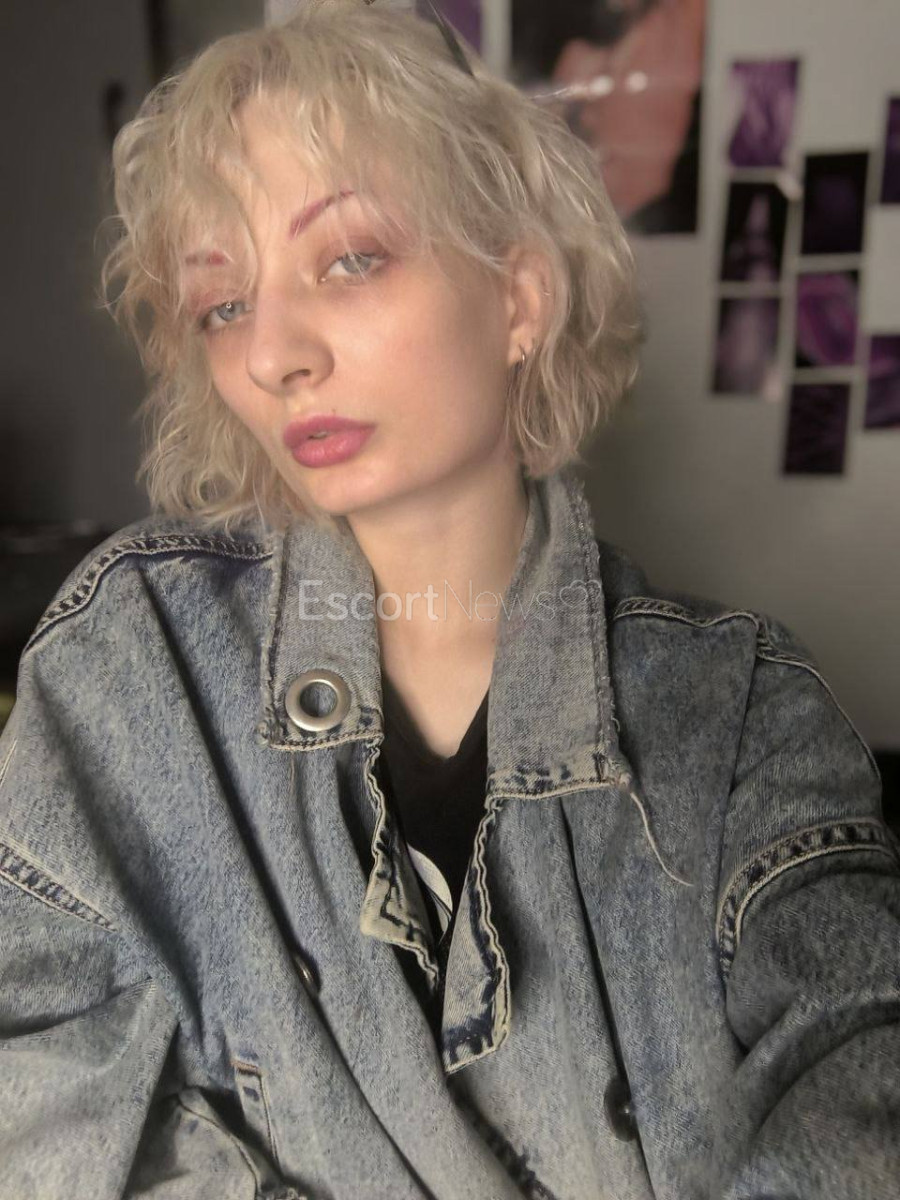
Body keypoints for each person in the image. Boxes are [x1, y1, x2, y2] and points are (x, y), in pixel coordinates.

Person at [0, 2, 898, 1197]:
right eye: (223, 303)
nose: (272, 354)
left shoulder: (738, 714)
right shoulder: (131, 664)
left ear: (518, 298)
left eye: (349, 259)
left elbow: (855, 1084)